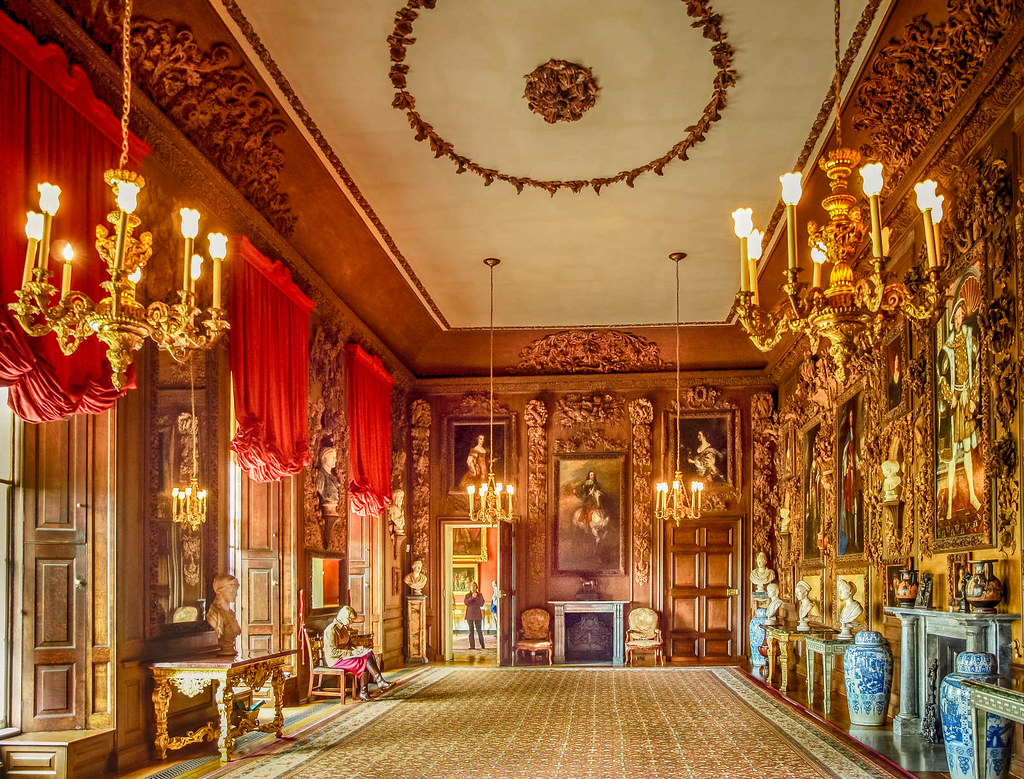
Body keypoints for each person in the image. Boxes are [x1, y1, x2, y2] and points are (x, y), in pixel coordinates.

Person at [939, 296, 982, 518]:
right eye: (956, 316)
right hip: (954, 402)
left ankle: (973, 495)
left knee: (967, 449)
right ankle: (948, 505)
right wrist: (950, 397)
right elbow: (942, 378)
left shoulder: (969, 340)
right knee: (953, 454)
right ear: (952, 319)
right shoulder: (947, 348)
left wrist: (973, 396)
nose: (959, 319)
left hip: (966, 399)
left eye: (962, 316)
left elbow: (976, 367)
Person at [323, 606, 392, 700]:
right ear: (344, 618)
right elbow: (332, 652)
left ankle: (373, 685)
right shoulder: (331, 630)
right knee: (364, 661)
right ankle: (371, 686)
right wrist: (352, 653)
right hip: (335, 660)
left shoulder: (343, 628)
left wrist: (360, 649)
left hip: (345, 657)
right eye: (350, 620)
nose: (351, 623)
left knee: (368, 653)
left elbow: (349, 644)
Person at [207, 573, 241, 655]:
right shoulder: (214, 614)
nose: (236, 594)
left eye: (235, 591)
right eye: (232, 591)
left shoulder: (231, 614)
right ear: (220, 591)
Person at [573, 470, 608, 543]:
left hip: (596, 499)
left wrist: (600, 493)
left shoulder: (596, 484)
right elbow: (582, 492)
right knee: (587, 510)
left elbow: (600, 490)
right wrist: (576, 493)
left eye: (593, 475)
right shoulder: (586, 484)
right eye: (591, 475)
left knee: (601, 508)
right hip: (588, 500)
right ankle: (586, 525)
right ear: (589, 476)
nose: (592, 476)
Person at [464, 581, 486, 650]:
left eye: (474, 586)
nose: (473, 587)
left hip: (477, 614)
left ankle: (482, 645)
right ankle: (472, 646)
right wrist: (472, 597)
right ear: (470, 587)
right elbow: (466, 603)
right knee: (471, 631)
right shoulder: (467, 595)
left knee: (479, 630)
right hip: (469, 615)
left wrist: (476, 597)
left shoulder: (480, 595)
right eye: (472, 586)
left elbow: (481, 603)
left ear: (476, 587)